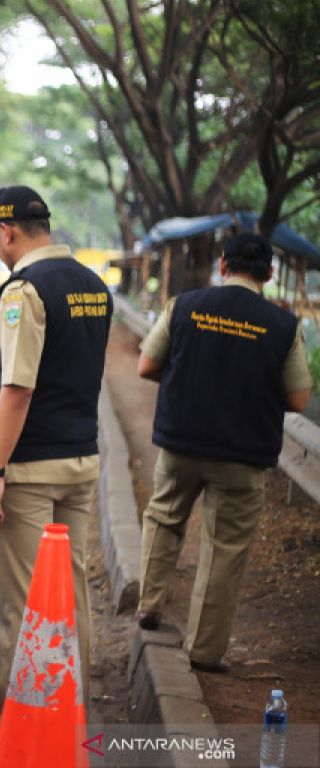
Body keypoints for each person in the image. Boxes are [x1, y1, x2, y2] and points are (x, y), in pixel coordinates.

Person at [0, 186, 111, 753]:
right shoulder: (93, 285)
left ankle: (6, 725)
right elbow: (60, 366)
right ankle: (72, 717)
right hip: (81, 459)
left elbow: (20, 386)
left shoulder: (24, 289)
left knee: (24, 601)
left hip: (31, 468)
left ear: (6, 230)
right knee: (73, 596)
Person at [134, 234, 310, 672]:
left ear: (223, 265)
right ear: (269, 275)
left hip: (182, 440)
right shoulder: (283, 325)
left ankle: (148, 605)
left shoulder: (184, 305)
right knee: (225, 548)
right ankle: (204, 651)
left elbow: (147, 366)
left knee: (164, 517)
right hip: (244, 453)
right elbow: (300, 399)